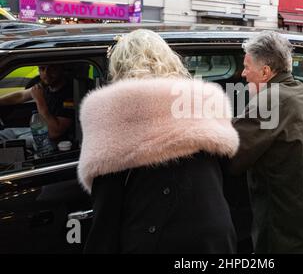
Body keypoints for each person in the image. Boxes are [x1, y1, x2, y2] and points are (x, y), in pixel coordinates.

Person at [78, 29, 239, 254]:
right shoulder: (202, 101)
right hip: (215, 234)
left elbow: (107, 213)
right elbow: (224, 176)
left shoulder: (112, 112)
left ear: (119, 67)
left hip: (155, 240)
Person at [227, 31, 303, 253]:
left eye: (247, 66)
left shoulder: (269, 101)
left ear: (265, 71)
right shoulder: (300, 90)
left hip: (282, 235)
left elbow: (231, 157)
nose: (242, 74)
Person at [0, 64, 74, 148]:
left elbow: (54, 133)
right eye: (42, 69)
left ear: (61, 69)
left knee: (4, 144)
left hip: (53, 140)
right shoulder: (46, 85)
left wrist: (39, 100)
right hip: (39, 130)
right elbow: (21, 96)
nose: (46, 73)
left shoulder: (69, 95)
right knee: (3, 133)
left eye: (52, 68)